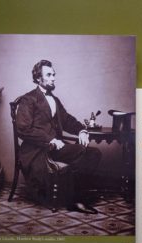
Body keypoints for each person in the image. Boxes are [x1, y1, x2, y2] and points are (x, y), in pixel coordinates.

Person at [15, 59, 101, 214]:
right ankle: (74, 200)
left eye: (54, 74)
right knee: (84, 153)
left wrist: (82, 130)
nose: (53, 77)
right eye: (49, 75)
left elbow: (67, 120)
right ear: (38, 78)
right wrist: (49, 139)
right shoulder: (28, 100)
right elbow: (23, 129)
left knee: (93, 153)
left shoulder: (54, 99)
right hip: (37, 152)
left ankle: (73, 197)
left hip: (55, 147)